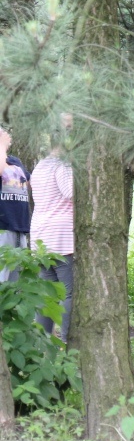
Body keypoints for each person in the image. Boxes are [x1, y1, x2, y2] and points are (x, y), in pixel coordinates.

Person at [30, 139, 74, 342]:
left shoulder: (40, 165)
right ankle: (68, 341)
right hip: (61, 237)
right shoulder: (62, 164)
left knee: (47, 294)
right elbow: (71, 192)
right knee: (67, 293)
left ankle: (43, 342)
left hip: (41, 237)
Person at [0, 125, 30, 283]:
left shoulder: (15, 161)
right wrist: (2, 146)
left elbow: (29, 182)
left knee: (18, 281)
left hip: (20, 227)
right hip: (3, 228)